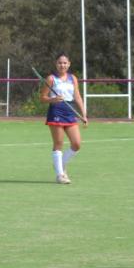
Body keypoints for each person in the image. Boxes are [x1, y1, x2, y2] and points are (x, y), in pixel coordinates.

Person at [40, 53, 88, 184]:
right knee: (58, 144)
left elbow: (77, 97)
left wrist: (84, 115)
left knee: (77, 144)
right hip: (56, 111)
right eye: (60, 63)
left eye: (65, 63)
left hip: (69, 111)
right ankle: (60, 174)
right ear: (56, 64)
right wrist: (53, 99)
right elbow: (42, 98)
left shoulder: (73, 78)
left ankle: (59, 163)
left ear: (69, 64)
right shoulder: (51, 79)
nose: (62, 65)